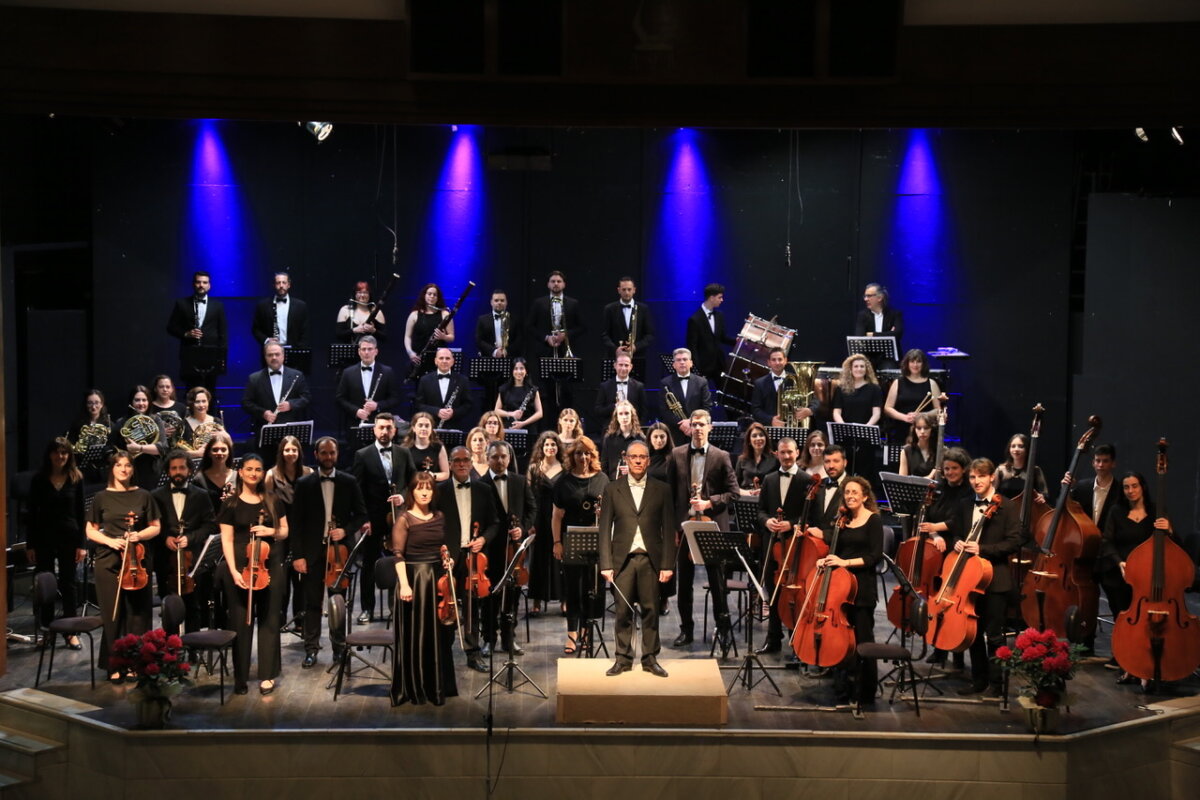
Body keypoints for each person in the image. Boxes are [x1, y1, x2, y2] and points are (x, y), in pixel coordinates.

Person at [599, 440, 676, 677]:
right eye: (634, 457)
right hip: (622, 561)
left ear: (649, 461)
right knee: (622, 611)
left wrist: (667, 564)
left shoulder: (662, 489)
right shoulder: (612, 489)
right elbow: (604, 529)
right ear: (627, 459)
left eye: (642, 457)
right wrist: (606, 564)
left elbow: (669, 529)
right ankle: (622, 658)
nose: (638, 461)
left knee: (651, 611)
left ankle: (650, 658)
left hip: (650, 560)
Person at [290, 437, 368, 669]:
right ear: (316, 455)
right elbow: (296, 523)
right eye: (324, 453)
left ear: (337, 454)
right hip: (312, 552)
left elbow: (362, 514)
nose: (328, 457)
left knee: (338, 603)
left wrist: (346, 530)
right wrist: (298, 556)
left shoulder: (348, 481)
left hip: (339, 551)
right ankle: (311, 649)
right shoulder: (304, 483)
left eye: (332, 453)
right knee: (312, 602)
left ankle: (339, 648)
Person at [665, 409, 739, 648]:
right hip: (685, 526)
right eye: (694, 424)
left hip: (712, 526)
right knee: (684, 582)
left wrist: (709, 503)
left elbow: (734, 493)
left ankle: (723, 629)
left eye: (702, 424)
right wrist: (673, 529)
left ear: (710, 427)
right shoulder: (676, 454)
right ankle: (686, 630)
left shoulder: (721, 456)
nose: (697, 428)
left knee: (717, 581)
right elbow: (670, 494)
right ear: (689, 427)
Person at [85, 451, 161, 681]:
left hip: (137, 561)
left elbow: (155, 526)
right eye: (119, 465)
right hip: (108, 561)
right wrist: (109, 541)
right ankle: (115, 665)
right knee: (113, 614)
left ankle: (137, 663)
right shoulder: (101, 497)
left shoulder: (144, 495)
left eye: (128, 465)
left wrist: (138, 535)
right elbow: (90, 530)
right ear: (112, 469)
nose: (124, 469)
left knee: (138, 614)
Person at [218, 453, 289, 695]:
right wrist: (233, 571)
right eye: (249, 469)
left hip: (270, 566)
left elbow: (285, 531)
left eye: (258, 469)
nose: (253, 473)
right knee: (241, 622)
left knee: (269, 620)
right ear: (240, 472)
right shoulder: (230, 503)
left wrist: (270, 531)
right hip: (241, 568)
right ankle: (240, 676)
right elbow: (227, 540)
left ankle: (267, 675)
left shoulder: (273, 499)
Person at [951, 458, 1021, 697]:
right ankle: (978, 680)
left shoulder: (1007, 507)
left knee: (994, 635)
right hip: (968, 578)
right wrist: (957, 543)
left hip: (995, 579)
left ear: (992, 477)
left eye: (981, 476)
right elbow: (956, 534)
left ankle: (997, 684)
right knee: (973, 633)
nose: (976, 481)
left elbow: (1014, 542)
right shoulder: (964, 504)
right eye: (972, 477)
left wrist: (982, 549)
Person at [815, 475, 884, 706]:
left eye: (855, 492)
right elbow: (837, 551)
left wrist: (845, 563)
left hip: (862, 588)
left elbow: (874, 557)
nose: (850, 496)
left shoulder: (873, 520)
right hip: (840, 590)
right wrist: (825, 559)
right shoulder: (842, 520)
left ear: (865, 496)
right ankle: (843, 686)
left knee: (863, 639)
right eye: (847, 492)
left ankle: (865, 691)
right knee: (841, 639)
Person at [1100, 471, 1175, 683]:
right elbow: (1107, 541)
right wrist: (1119, 562)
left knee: (1149, 622)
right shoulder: (1116, 511)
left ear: (1142, 487)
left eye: (1134, 486)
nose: (1130, 491)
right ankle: (1126, 662)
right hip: (1122, 572)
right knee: (1125, 619)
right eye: (1126, 487)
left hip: (1150, 575)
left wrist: (1169, 529)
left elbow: (1173, 544)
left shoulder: (1156, 511)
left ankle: (1148, 662)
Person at [390, 471, 458, 705]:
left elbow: (443, 546)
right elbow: (398, 555)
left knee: (438, 636)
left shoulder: (439, 516)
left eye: (428, 488)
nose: (425, 492)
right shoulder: (404, 519)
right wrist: (404, 585)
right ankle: (415, 687)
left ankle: (437, 686)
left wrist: (448, 561)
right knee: (416, 634)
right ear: (412, 492)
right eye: (420, 488)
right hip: (414, 580)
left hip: (437, 582)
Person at [436, 446, 499, 672]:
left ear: (471, 463)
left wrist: (483, 539)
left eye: (465, 460)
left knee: (472, 606)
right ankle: (444, 651)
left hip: (473, 558)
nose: (462, 464)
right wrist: (441, 549)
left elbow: (494, 523)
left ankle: (473, 652)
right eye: (457, 460)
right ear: (450, 464)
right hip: (448, 557)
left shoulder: (483, 489)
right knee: (447, 604)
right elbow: (433, 523)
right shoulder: (440, 490)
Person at [351, 413, 418, 624]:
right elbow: (357, 491)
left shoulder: (404, 453)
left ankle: (396, 606)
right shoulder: (362, 455)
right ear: (374, 429)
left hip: (399, 519)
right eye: (381, 427)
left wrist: (403, 497)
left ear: (394, 430)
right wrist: (363, 519)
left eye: (389, 428)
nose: (385, 431)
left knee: (399, 560)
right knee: (369, 563)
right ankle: (367, 608)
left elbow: (413, 482)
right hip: (374, 518)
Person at [755, 437, 814, 654]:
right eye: (782, 452)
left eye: (790, 452)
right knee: (773, 591)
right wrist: (767, 521)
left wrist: (791, 523)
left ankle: (795, 639)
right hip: (772, 545)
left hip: (795, 547)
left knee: (793, 594)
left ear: (797, 452)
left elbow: (812, 515)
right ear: (777, 454)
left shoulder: (807, 480)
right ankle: (773, 639)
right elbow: (760, 510)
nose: (787, 456)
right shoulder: (769, 479)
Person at [551, 436, 609, 656]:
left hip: (596, 540)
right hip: (572, 540)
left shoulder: (602, 479)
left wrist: (603, 513)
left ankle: (587, 632)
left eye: (587, 453)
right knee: (573, 589)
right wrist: (557, 542)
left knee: (592, 589)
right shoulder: (563, 481)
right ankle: (572, 633)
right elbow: (556, 516)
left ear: (592, 455)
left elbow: (611, 513)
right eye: (578, 453)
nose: (583, 457)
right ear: (571, 456)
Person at [27, 438, 87, 649]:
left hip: (69, 537)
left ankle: (71, 632)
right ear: (49, 454)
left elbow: (81, 513)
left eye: (64, 452)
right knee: (47, 584)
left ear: (69, 455)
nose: (60, 456)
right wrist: (30, 544)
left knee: (69, 584)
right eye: (56, 452)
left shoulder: (76, 478)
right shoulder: (39, 479)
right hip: (44, 538)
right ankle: (48, 631)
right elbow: (32, 514)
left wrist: (82, 544)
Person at [150, 448, 217, 634]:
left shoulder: (201, 495)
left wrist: (190, 538)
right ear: (168, 471)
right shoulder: (155, 496)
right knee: (169, 606)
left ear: (189, 470)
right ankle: (170, 647)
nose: (178, 472)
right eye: (174, 468)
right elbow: (152, 524)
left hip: (192, 559)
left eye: (182, 468)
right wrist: (166, 538)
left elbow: (210, 524)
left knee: (193, 605)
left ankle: (193, 645)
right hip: (166, 560)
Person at [480, 441, 537, 655]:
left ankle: (509, 638)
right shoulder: (481, 484)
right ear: (487, 459)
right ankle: (489, 639)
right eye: (495, 457)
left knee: (512, 596)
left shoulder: (519, 481)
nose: (500, 460)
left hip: (514, 550)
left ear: (509, 458)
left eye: (503, 456)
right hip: (490, 551)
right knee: (490, 598)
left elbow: (532, 509)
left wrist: (522, 528)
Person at [265, 434, 312, 634]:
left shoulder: (309, 473)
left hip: (302, 533)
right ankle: (281, 618)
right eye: (287, 450)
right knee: (281, 579)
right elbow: (267, 505)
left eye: (294, 450)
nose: (290, 453)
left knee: (301, 578)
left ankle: (301, 619)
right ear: (281, 452)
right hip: (281, 532)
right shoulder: (271, 475)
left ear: (299, 452)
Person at [241, 338, 312, 442]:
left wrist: (291, 404)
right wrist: (263, 413)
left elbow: (306, 398)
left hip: (291, 432)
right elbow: (246, 403)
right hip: (265, 431)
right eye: (270, 355)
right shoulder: (254, 378)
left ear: (283, 356)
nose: (274, 357)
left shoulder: (297, 375)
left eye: (277, 354)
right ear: (265, 357)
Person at [166, 270, 228, 388]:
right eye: (198, 282)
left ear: (209, 285)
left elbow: (223, 332)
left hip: (211, 355)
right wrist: (186, 334)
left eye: (204, 282)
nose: (201, 285)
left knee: (210, 390)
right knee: (191, 390)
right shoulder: (182, 303)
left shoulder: (218, 306)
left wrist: (222, 357)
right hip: (189, 354)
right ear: (193, 284)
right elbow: (171, 327)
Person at [527, 431, 565, 616]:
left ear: (558, 447)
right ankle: (536, 601)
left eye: (553, 444)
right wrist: (530, 522)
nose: (550, 447)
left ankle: (564, 600)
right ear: (541, 448)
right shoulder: (534, 468)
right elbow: (528, 496)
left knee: (560, 559)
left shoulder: (565, 468)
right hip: (540, 518)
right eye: (547, 445)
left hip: (560, 517)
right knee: (538, 559)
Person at [335, 335, 403, 434]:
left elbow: (395, 398)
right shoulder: (348, 372)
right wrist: (356, 411)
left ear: (376, 351)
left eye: (370, 349)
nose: (366, 352)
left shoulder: (387, 372)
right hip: (354, 424)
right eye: (363, 349)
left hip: (381, 426)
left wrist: (378, 405)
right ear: (359, 352)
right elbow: (340, 398)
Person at [831, 354, 882, 478]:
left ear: (866, 369)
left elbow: (876, 413)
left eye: (862, 366)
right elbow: (836, 412)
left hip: (866, 435)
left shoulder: (874, 389)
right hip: (846, 435)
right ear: (850, 369)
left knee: (865, 470)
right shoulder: (841, 389)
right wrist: (844, 426)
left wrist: (866, 428)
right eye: (856, 366)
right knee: (846, 469)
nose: (859, 369)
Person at [111, 385, 167, 491]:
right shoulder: (122, 422)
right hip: (128, 472)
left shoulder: (156, 420)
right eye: (137, 400)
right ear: (131, 402)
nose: (141, 403)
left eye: (144, 400)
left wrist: (139, 448)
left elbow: (163, 448)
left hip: (150, 473)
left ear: (149, 402)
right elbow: (110, 447)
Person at [751, 347, 817, 428]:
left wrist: (810, 410)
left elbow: (815, 401)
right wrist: (770, 420)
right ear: (769, 362)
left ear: (785, 361)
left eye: (780, 359)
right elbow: (755, 410)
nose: (777, 363)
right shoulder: (759, 383)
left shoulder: (797, 380)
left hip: (794, 427)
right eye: (774, 360)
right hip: (770, 428)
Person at [526, 270, 584, 361]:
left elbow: (582, 327)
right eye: (553, 281)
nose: (556, 284)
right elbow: (529, 326)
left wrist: (565, 335)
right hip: (544, 350)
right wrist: (546, 338)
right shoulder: (538, 303)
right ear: (548, 284)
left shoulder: (573, 303)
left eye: (559, 281)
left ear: (564, 284)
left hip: (566, 349)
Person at [883, 349, 941, 439]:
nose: (915, 365)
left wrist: (922, 415)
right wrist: (904, 417)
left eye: (918, 362)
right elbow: (887, 408)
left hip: (924, 430)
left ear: (923, 364)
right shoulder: (898, 383)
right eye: (912, 361)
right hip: (902, 429)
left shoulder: (932, 383)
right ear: (907, 363)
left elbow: (938, 410)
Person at [659, 348, 712, 447]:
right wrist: (682, 424)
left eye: (685, 359)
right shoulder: (665, 383)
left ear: (691, 363)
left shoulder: (702, 382)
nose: (682, 362)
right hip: (675, 432)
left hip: (697, 430)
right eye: (678, 360)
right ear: (674, 365)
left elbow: (706, 407)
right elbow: (663, 410)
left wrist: (691, 422)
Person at [686, 283, 736, 383]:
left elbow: (722, 337)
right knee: (701, 391)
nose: (722, 300)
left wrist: (737, 342)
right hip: (703, 366)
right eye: (719, 297)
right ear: (712, 298)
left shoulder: (719, 315)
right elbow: (692, 347)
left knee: (724, 390)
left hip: (719, 363)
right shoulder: (695, 319)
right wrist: (696, 369)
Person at [413, 347, 473, 431]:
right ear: (435, 361)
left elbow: (468, 405)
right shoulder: (425, 380)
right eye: (441, 358)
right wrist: (436, 411)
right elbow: (419, 405)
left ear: (453, 361)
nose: (444, 361)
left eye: (447, 358)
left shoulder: (462, 380)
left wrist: (454, 413)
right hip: (430, 428)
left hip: (454, 426)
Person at [599, 276, 655, 362]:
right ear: (619, 290)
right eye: (624, 289)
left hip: (637, 357)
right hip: (615, 357)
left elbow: (649, 335)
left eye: (629, 289)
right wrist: (615, 349)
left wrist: (636, 347)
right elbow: (604, 335)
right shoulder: (609, 309)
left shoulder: (643, 309)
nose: (627, 292)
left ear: (634, 290)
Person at [404, 283, 455, 376]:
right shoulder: (414, 315)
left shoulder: (445, 314)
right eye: (429, 294)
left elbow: (451, 337)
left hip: (439, 358)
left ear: (438, 298)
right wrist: (410, 352)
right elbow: (407, 336)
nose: (432, 296)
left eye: (435, 295)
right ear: (424, 295)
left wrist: (443, 337)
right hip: (419, 358)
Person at [251, 270, 308, 347]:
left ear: (289, 285)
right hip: (270, 350)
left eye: (284, 282)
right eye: (278, 283)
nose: (281, 285)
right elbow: (255, 329)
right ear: (274, 285)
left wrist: (299, 348)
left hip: (293, 350)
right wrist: (266, 340)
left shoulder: (300, 306)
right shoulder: (263, 305)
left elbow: (305, 331)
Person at [1070, 443, 1120, 529]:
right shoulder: (1082, 487)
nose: (1101, 465)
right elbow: (1068, 508)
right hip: (1084, 535)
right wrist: (1066, 488)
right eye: (1098, 461)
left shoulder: (1120, 490)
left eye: (1105, 461)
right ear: (1093, 463)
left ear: (1113, 464)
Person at [593, 352, 646, 432]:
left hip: (633, 431)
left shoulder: (639, 386)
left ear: (631, 367)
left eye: (626, 365)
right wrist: (614, 406)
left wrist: (638, 428)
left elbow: (644, 412)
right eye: (620, 365)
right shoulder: (605, 386)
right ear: (615, 365)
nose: (623, 368)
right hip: (610, 431)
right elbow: (598, 410)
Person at [994, 433, 1049, 503]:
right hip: (1004, 508)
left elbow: (1044, 494)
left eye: (1020, 446)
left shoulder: (1035, 470)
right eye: (1013, 446)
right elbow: (992, 492)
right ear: (1009, 449)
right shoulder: (1001, 470)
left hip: (1028, 508)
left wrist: (1042, 497)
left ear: (1027, 450)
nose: (1016, 449)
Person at [494, 357, 544, 432]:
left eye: (522, 368)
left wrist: (523, 423)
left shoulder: (533, 390)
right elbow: (496, 411)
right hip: (509, 427)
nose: (519, 371)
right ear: (512, 371)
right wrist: (511, 414)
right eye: (516, 369)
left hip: (529, 428)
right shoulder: (504, 389)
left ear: (526, 371)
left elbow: (540, 413)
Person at [600, 400, 644, 479]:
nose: (624, 417)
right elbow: (604, 465)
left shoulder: (641, 439)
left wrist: (632, 470)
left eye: (627, 413)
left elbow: (645, 465)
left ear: (632, 415)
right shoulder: (609, 438)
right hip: (614, 482)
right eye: (620, 414)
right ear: (616, 417)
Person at [402, 412, 450, 481]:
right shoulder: (405, 448)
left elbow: (446, 473)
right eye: (420, 425)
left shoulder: (438, 447)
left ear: (431, 428)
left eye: (427, 426)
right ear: (414, 428)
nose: (424, 428)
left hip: (433, 485)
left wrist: (433, 476)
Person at [853, 282, 903, 348]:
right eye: (865, 296)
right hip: (870, 354)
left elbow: (897, 334)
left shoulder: (894, 314)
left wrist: (872, 334)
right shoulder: (863, 315)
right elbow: (860, 339)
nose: (865, 299)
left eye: (869, 296)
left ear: (880, 298)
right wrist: (889, 334)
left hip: (891, 354)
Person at [812, 445, 850, 531]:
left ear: (845, 463)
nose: (831, 466)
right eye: (827, 461)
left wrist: (825, 535)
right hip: (813, 539)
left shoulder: (853, 486)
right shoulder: (817, 484)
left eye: (836, 461)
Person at [181, 386, 225, 460]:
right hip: (190, 463)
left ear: (208, 402)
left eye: (204, 401)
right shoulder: (183, 425)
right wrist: (197, 453)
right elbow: (175, 452)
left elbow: (227, 446)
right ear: (192, 404)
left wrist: (225, 436)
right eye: (197, 402)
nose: (201, 405)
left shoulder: (217, 422)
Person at [735, 422, 777, 496]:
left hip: (768, 498)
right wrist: (748, 493)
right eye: (754, 436)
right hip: (746, 498)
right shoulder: (741, 460)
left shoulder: (776, 459)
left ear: (766, 438)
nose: (758, 438)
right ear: (749, 441)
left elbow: (780, 485)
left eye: (761, 435)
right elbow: (735, 487)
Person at [474, 288, 519, 357]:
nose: (499, 303)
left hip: (510, 358)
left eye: (502, 300)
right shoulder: (482, 320)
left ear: (506, 302)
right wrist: (494, 351)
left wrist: (507, 351)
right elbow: (479, 340)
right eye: (496, 300)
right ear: (491, 302)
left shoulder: (514, 319)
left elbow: (519, 340)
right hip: (488, 358)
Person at [149, 375, 187, 448]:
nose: (165, 389)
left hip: (177, 448)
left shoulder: (181, 407)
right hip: (155, 448)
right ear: (155, 389)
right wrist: (161, 433)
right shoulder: (149, 407)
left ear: (172, 389)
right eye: (161, 387)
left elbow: (185, 430)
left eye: (168, 387)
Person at [899, 411, 938, 478]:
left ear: (932, 429)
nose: (922, 432)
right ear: (914, 429)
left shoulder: (940, 450)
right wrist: (930, 476)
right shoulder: (906, 451)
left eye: (926, 428)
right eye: (919, 428)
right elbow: (902, 480)